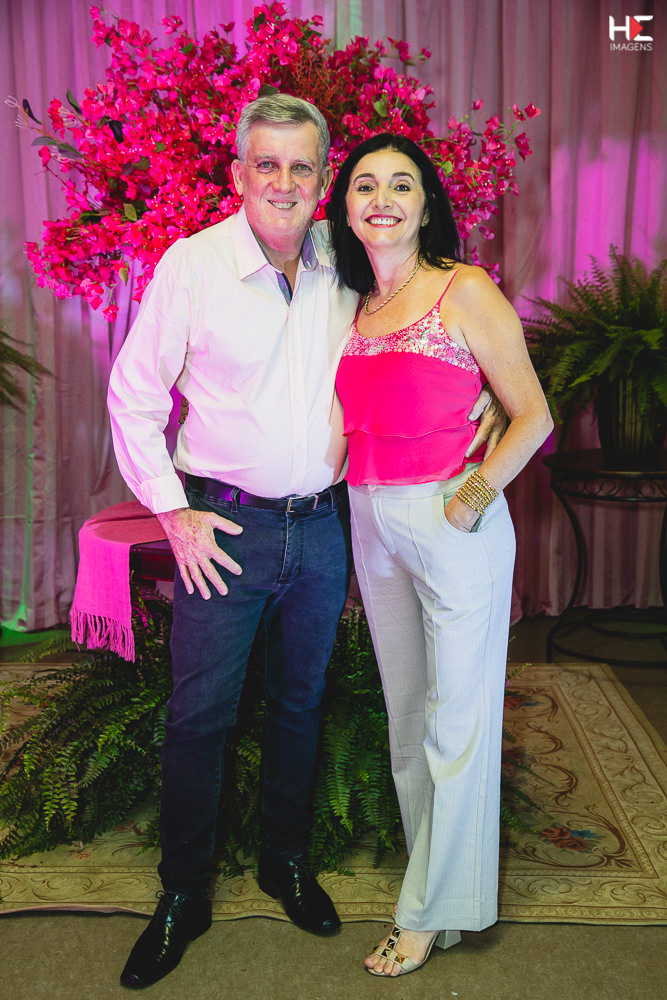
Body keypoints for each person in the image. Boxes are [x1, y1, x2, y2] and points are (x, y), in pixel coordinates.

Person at [107, 96, 504, 990]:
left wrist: (478, 392)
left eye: (301, 166)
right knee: (200, 716)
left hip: (326, 524)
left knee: (299, 703)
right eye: (266, 164)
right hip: (227, 525)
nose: (283, 182)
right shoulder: (193, 265)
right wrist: (172, 512)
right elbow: (132, 396)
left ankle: (285, 865)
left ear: (323, 177)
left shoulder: (347, 257)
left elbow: (421, 331)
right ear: (238, 173)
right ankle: (182, 895)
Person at [327, 132, 553, 978]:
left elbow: (532, 413)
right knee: (407, 718)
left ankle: (422, 915)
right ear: (345, 207)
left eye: (401, 184)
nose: (381, 199)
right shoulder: (350, 302)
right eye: (364, 185)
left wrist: (474, 493)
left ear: (426, 205)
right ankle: (442, 892)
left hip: (452, 520)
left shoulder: (464, 289)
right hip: (369, 516)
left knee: (457, 723)